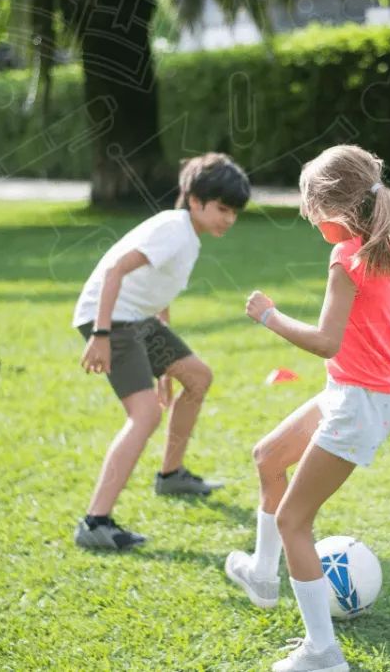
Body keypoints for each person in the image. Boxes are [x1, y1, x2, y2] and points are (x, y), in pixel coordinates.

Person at [225, 144, 390, 672]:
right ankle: (264, 575)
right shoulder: (385, 249)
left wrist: (268, 316)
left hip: (358, 404)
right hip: (357, 395)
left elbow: (325, 342)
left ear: (335, 212)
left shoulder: (346, 259)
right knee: (268, 456)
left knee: (294, 520)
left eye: (313, 214)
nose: (313, 224)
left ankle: (323, 653)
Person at [71, 153, 251, 550]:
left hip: (136, 317)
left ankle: (171, 475)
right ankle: (95, 522)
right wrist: (99, 334)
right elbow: (116, 270)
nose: (229, 219)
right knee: (146, 414)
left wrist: (166, 368)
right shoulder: (174, 229)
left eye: (234, 212)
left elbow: (159, 295)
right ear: (195, 200)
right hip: (111, 317)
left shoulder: (188, 237)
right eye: (222, 209)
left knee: (197, 376)